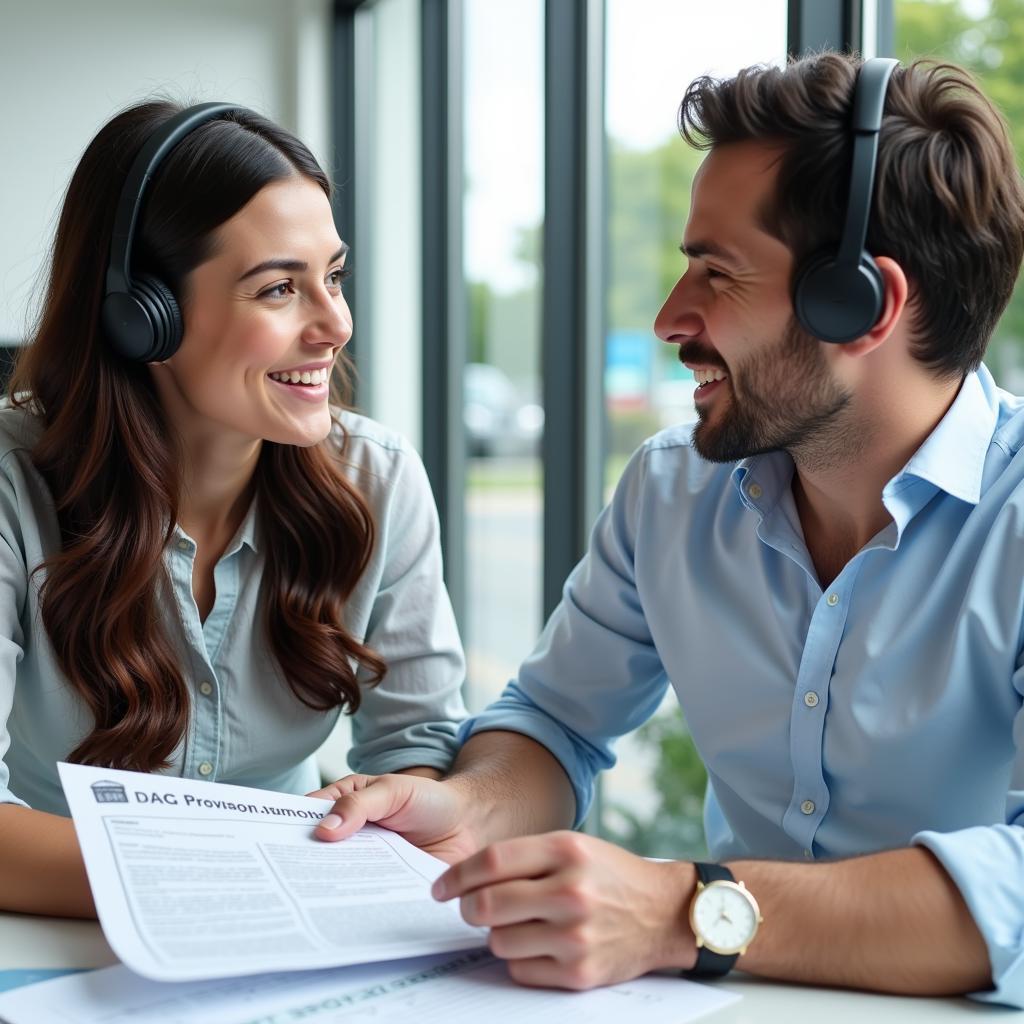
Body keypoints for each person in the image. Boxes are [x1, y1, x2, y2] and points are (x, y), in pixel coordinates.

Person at [313, 51, 1024, 1006]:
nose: (668, 317)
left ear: (861, 304)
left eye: (716, 273)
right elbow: (557, 722)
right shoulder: (674, 488)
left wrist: (680, 912)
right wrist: (466, 805)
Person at [0, 101, 467, 918]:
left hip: (292, 923)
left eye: (335, 276)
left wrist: (389, 807)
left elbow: (420, 752)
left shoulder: (377, 478)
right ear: (144, 316)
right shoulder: (12, 485)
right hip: (59, 934)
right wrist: (236, 883)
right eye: (280, 288)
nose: (335, 325)